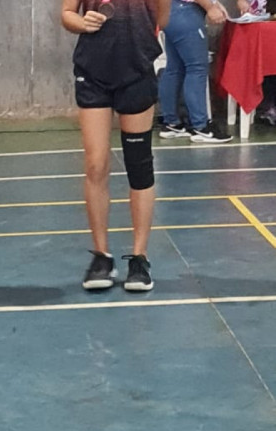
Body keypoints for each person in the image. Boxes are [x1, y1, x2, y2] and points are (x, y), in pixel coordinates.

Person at [61, 0, 172, 292]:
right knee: (95, 164)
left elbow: (163, 19)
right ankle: (102, 256)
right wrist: (82, 22)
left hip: (137, 70)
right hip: (92, 73)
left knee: (139, 166)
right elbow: (67, 15)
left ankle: (139, 258)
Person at [158, 0, 232, 143]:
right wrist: (210, 7)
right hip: (186, 13)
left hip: (170, 11)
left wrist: (213, 3)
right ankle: (201, 126)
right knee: (197, 67)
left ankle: (171, 123)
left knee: (174, 68)